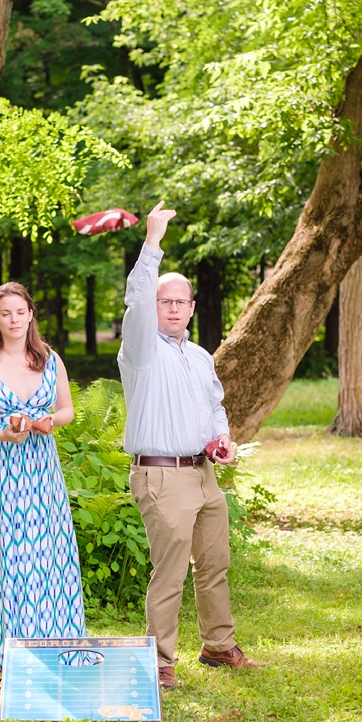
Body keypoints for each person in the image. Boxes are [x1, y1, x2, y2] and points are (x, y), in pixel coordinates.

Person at [119, 200, 259, 690]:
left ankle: (218, 646)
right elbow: (137, 296)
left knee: (215, 564)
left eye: (181, 301)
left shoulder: (200, 356)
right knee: (170, 571)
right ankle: (158, 662)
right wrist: (152, 240)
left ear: (192, 308)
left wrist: (220, 439)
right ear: (154, 308)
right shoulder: (139, 349)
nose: (173, 308)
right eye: (165, 301)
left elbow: (214, 406)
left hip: (203, 474)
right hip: (160, 475)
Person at [0, 282, 90, 671]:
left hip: (42, 470)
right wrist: (2, 434)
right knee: (5, 551)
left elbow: (67, 410)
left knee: (46, 550)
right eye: (5, 313)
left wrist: (49, 422)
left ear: (31, 314)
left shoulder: (50, 359)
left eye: (20, 311)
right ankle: (6, 645)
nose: (14, 319)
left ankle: (54, 635)